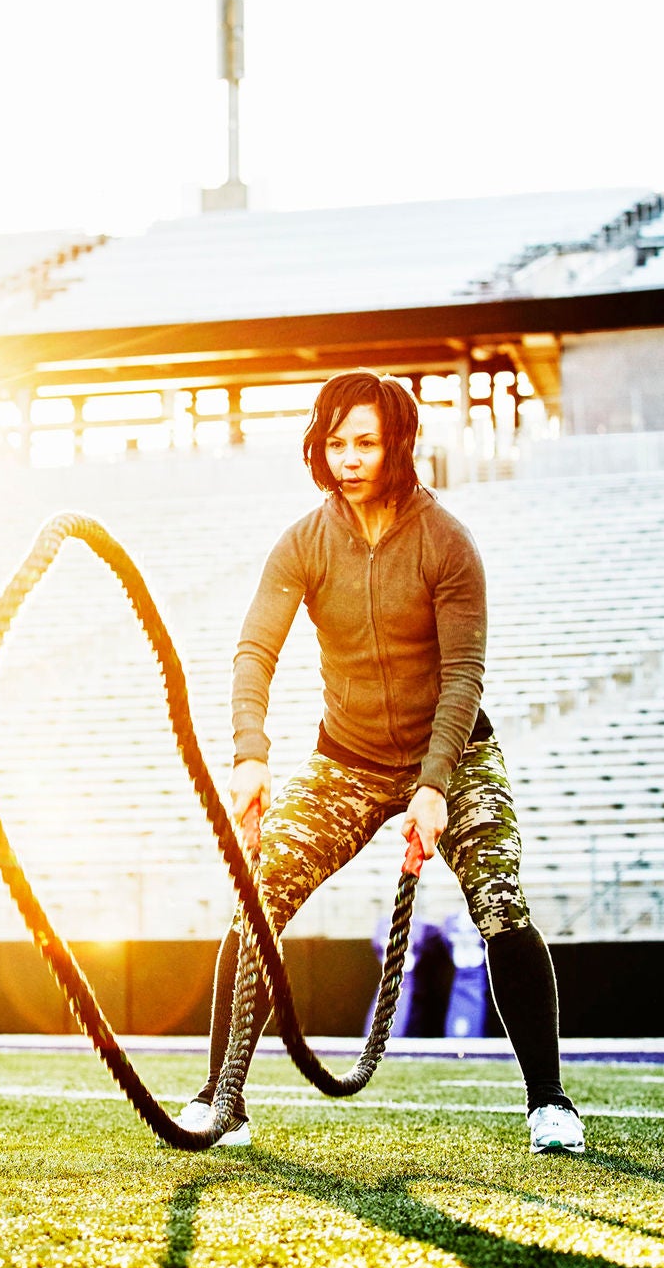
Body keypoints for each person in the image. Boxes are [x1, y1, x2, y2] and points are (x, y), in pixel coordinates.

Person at [174, 369, 584, 1155]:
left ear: (399, 444)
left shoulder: (448, 542)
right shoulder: (302, 541)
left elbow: (464, 675)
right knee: (258, 902)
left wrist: (434, 787)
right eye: (336, 443)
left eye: (365, 442)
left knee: (500, 901)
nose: (349, 457)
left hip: (454, 751)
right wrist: (250, 754)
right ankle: (220, 1094)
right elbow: (255, 649)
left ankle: (549, 1102)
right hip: (348, 756)